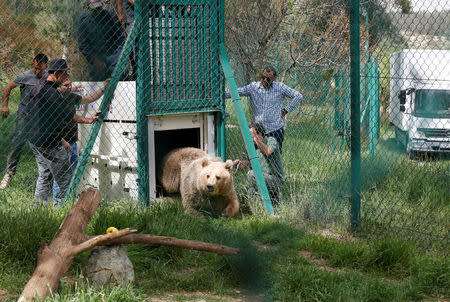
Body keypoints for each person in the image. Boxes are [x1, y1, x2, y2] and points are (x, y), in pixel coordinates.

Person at [28, 58, 108, 203]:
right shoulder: (53, 94)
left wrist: (62, 139)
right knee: (65, 178)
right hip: (48, 142)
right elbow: (68, 115)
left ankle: (38, 206)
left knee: (45, 174)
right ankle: (63, 210)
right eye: (65, 75)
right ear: (57, 74)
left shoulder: (41, 88)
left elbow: (44, 119)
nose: (67, 80)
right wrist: (87, 120)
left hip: (37, 139)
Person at [225, 65, 303, 150]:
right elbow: (237, 92)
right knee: (257, 157)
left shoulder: (280, 87)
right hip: (259, 131)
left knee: (274, 158)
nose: (265, 80)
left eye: (268, 79)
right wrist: (221, 94)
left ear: (274, 78)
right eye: (263, 77)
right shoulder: (254, 87)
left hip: (275, 130)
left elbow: (298, 96)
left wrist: (285, 110)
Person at [0, 53, 49, 189]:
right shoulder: (25, 76)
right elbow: (8, 87)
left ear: (46, 66)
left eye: (41, 69)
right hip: (25, 115)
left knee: (43, 145)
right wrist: (5, 105)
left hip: (41, 117)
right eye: (36, 68)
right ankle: (8, 174)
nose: (38, 71)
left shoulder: (48, 77)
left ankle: (45, 176)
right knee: (17, 144)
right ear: (33, 65)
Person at [52, 79, 101, 203]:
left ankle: (66, 201)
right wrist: (88, 120)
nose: (69, 88)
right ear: (58, 87)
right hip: (60, 143)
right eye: (66, 85)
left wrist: (103, 88)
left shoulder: (71, 97)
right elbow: (71, 117)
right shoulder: (54, 100)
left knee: (71, 175)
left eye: (70, 85)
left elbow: (88, 99)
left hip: (72, 142)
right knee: (61, 176)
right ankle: (58, 204)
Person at [234, 123, 284, 204]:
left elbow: (268, 151)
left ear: (259, 134)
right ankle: (271, 200)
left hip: (275, 179)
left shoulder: (270, 140)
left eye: (251, 135)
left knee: (251, 174)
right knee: (246, 193)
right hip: (261, 179)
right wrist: (238, 163)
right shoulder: (253, 148)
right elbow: (245, 164)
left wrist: (255, 138)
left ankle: (267, 199)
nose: (250, 138)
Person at [78, 0, 126, 81]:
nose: (97, 12)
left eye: (99, 8)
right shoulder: (83, 20)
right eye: (94, 9)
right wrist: (94, 60)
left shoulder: (111, 17)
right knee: (98, 88)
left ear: (102, 5)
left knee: (118, 84)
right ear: (89, 8)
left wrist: (118, 57)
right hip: (95, 60)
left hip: (113, 57)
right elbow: (82, 45)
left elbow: (120, 39)